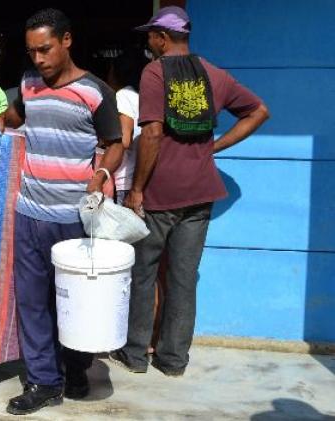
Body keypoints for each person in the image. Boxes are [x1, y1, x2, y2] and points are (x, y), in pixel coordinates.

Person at [110, 6, 269, 376]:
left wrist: (136, 191)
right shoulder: (214, 74)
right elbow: (259, 111)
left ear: (162, 38)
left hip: (159, 195)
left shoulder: (154, 71)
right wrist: (213, 147)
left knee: (143, 273)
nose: (147, 40)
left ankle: (135, 356)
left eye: (150, 34)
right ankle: (173, 360)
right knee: (183, 279)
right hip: (200, 195)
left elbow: (150, 133)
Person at [2, 9, 123, 415]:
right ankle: (44, 381)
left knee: (72, 301)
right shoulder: (28, 84)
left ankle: (75, 369)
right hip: (29, 212)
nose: (38, 59)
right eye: (32, 51)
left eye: (45, 49)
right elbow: (13, 119)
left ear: (67, 40)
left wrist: (101, 172)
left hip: (74, 218)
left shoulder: (95, 92)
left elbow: (115, 141)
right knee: (33, 301)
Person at [106, 48, 149, 204]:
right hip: (141, 178)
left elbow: (124, 140)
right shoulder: (145, 96)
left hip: (125, 180)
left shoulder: (123, 95)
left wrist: (102, 139)